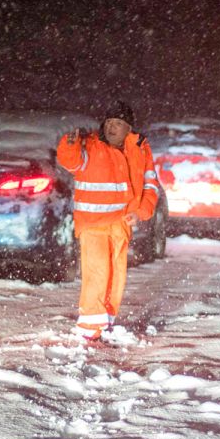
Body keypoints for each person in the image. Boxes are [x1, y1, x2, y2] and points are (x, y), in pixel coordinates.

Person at [56, 101, 161, 340]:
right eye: (110, 122)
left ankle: (105, 322)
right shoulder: (91, 145)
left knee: (116, 275)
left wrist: (141, 211)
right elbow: (71, 161)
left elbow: (150, 184)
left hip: (121, 223)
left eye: (119, 123)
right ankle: (89, 328)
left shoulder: (140, 148)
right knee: (98, 272)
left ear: (129, 128)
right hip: (93, 223)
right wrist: (68, 145)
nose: (112, 127)